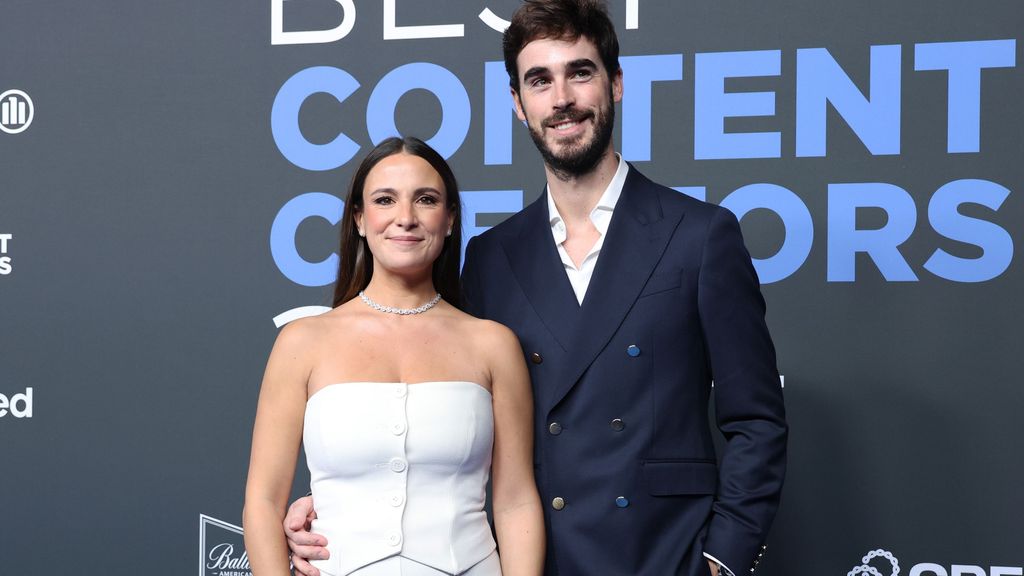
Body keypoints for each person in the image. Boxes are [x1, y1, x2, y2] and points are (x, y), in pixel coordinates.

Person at [285, 1, 787, 574]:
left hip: (661, 554)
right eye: (539, 80)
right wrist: (337, 506)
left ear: (615, 84)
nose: (562, 99)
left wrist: (723, 558)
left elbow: (757, 420)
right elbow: (444, 423)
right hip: (534, 559)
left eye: (580, 72)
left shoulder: (699, 236)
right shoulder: (492, 255)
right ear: (518, 106)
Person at [243, 136, 545, 576]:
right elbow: (263, 501)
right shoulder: (301, 342)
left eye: (426, 200)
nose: (405, 218)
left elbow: (516, 501)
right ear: (360, 220)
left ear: (450, 220)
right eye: (385, 200)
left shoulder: (493, 345)